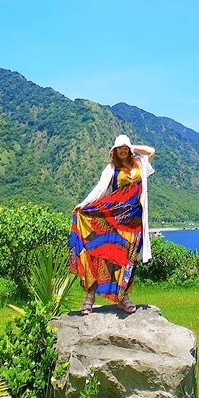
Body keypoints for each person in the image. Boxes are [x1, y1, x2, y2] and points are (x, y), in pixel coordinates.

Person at [69, 134, 156, 315]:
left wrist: (131, 146)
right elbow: (100, 189)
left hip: (134, 219)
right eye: (120, 148)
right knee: (100, 253)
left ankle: (122, 298)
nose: (123, 151)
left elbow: (151, 151)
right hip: (113, 217)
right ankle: (89, 298)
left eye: (125, 148)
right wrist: (84, 205)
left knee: (128, 258)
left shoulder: (139, 163)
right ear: (114, 151)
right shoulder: (111, 169)